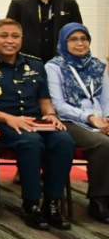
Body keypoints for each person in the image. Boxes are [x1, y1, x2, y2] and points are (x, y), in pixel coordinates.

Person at [0, 19, 74, 230]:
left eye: (15, 36)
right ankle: (31, 205)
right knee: (31, 142)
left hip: (35, 121)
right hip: (2, 123)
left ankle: (52, 203)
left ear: (22, 39)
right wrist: (9, 119)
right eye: (3, 36)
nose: (9, 41)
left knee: (64, 140)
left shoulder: (36, 64)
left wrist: (51, 115)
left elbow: (44, 99)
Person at [46, 23, 109, 223]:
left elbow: (106, 99)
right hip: (70, 120)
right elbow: (58, 105)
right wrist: (89, 118)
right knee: (103, 144)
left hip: (99, 119)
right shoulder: (54, 67)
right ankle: (99, 200)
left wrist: (107, 118)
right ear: (63, 42)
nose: (80, 44)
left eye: (84, 39)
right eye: (73, 39)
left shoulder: (98, 66)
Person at [6, 0, 83, 63]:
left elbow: (78, 33)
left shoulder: (69, 4)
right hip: (27, 61)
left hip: (61, 61)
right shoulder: (18, 4)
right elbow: (10, 34)